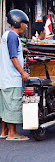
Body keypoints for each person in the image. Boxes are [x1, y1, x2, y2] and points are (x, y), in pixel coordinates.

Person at [0, 9, 30, 141]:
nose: (26, 26)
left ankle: (4, 131)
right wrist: (23, 73)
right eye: (24, 23)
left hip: (4, 78)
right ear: (18, 23)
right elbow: (13, 57)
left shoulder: (6, 35)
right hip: (12, 79)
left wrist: (22, 50)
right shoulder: (13, 36)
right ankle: (12, 133)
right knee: (13, 105)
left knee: (5, 106)